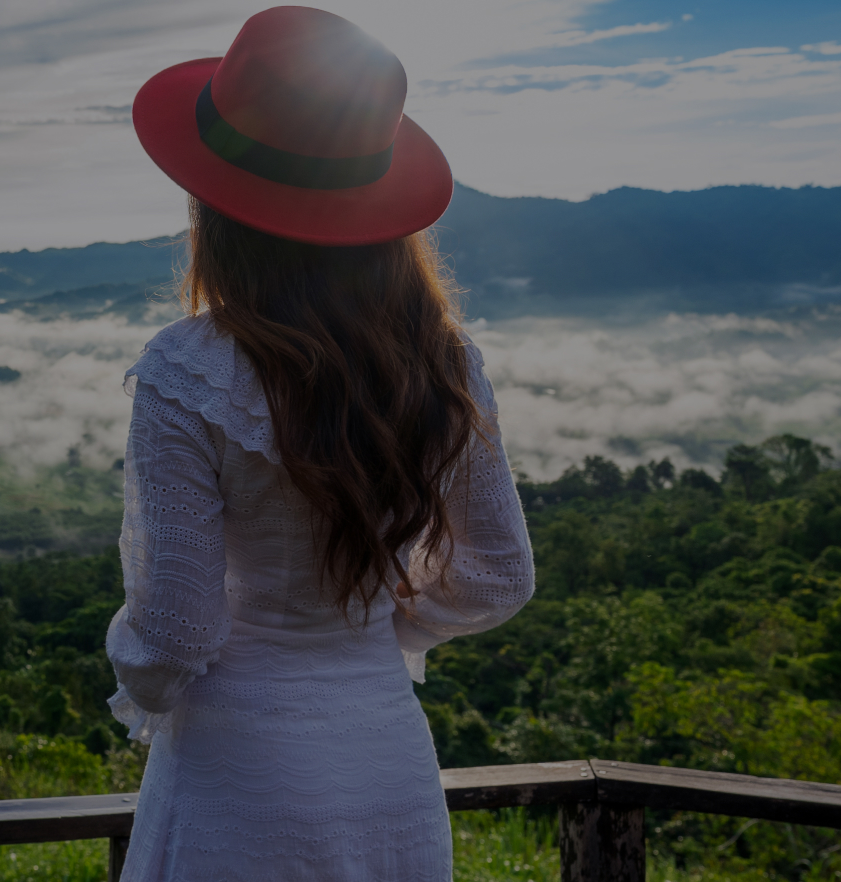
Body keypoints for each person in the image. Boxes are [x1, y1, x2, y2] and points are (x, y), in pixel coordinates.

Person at [106, 7, 535, 880]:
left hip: (242, 777)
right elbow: (500, 573)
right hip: (387, 767)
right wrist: (374, 621)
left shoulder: (187, 371)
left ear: (217, 211)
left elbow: (178, 633)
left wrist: (133, 680)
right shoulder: (442, 359)